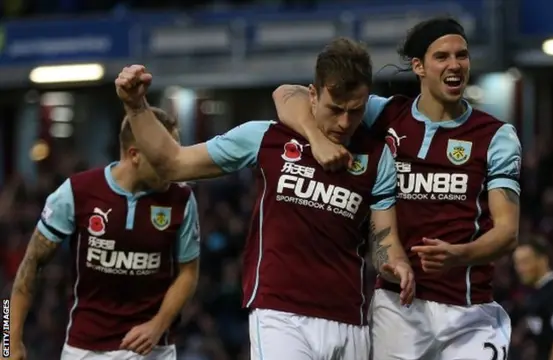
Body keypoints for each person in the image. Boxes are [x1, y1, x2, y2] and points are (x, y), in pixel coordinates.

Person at [114, 37, 415, 360]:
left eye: (355, 111)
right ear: (312, 95)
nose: (344, 122)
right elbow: (173, 162)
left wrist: (394, 264)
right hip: (280, 314)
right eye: (335, 109)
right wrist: (136, 107)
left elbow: (384, 238)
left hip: (349, 318)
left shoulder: (377, 157)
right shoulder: (266, 138)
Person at [272, 17, 521, 360]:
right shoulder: (384, 114)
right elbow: (287, 94)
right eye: (442, 57)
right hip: (398, 305)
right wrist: (315, 138)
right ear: (418, 66)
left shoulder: (495, 136)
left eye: (461, 55)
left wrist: (459, 255)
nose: (455, 65)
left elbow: (507, 233)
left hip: (469, 310)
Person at [8, 110, 201, 360]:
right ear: (134, 155)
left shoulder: (182, 199)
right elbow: (28, 267)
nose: (174, 164)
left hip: (155, 350)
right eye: (165, 155)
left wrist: (158, 324)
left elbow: (189, 273)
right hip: (85, 350)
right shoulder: (77, 193)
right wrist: (6, 341)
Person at [513, 237, 553, 360]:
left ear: (542, 260)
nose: (519, 269)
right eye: (517, 264)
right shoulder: (535, 295)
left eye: (525, 262)